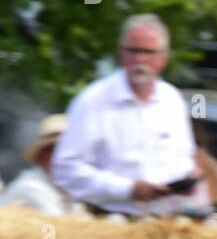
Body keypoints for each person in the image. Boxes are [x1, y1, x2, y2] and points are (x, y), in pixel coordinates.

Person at [51, 15, 202, 216]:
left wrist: (188, 178)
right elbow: (65, 171)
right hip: (109, 223)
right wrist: (128, 190)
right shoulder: (92, 101)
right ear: (121, 53)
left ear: (163, 58)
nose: (140, 59)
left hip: (166, 225)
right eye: (133, 51)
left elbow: (184, 158)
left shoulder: (172, 100)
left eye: (148, 52)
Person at [0, 114, 72, 216]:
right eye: (56, 151)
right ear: (43, 155)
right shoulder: (31, 188)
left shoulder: (66, 189)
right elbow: (62, 226)